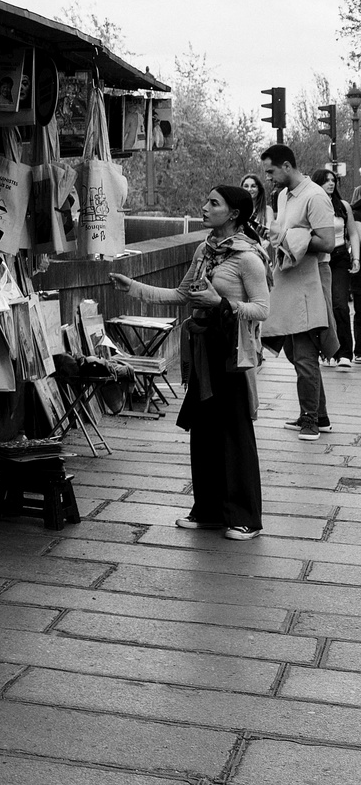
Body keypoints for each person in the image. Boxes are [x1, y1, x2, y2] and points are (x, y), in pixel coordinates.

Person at [111, 186, 269, 539]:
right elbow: (182, 295)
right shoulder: (204, 250)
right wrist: (133, 288)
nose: (204, 207)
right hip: (202, 350)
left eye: (214, 203)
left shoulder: (247, 258)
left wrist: (219, 303)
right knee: (205, 432)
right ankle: (209, 510)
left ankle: (245, 517)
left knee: (234, 433)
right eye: (206, 201)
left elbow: (262, 309)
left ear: (233, 214)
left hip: (231, 353)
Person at [260, 145, 336, 440]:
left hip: (311, 278)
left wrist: (295, 237)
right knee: (293, 349)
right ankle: (321, 414)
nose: (268, 178)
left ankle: (310, 420)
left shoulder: (315, 195)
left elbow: (328, 242)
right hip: (289, 276)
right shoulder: (282, 195)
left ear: (287, 166)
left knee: (304, 351)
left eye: (271, 171)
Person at [313, 168, 360, 368]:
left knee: (340, 303)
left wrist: (356, 258)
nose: (331, 184)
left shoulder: (343, 206)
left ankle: (345, 353)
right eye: (326, 181)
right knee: (323, 305)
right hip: (318, 258)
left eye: (333, 180)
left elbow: (353, 233)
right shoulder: (312, 205)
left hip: (340, 257)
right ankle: (327, 351)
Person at [240, 173, 273, 245]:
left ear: (259, 190)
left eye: (253, 186)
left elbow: (269, 236)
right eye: (246, 186)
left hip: (261, 250)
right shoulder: (237, 211)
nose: (249, 189)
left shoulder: (267, 210)